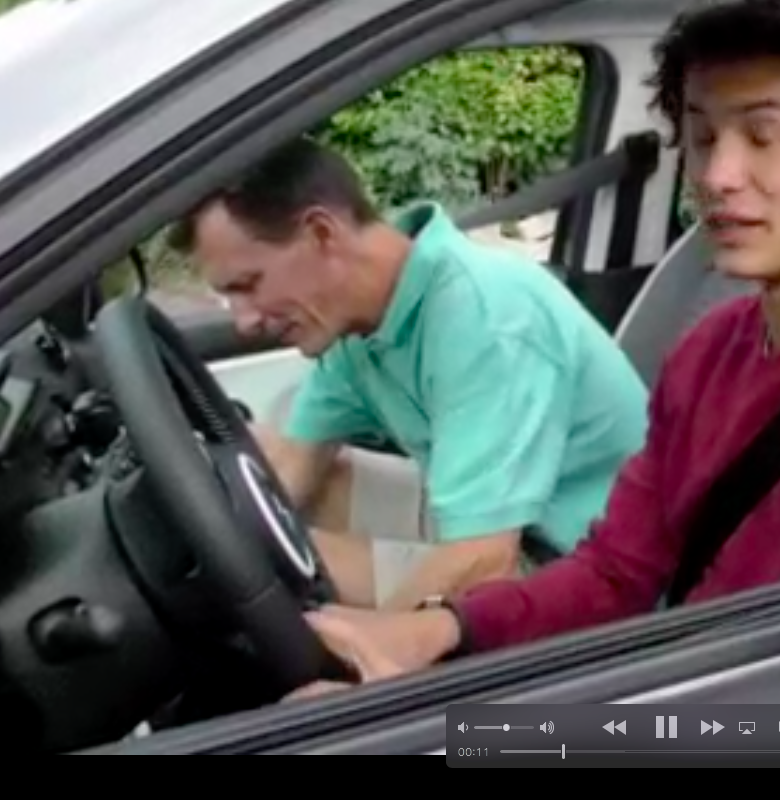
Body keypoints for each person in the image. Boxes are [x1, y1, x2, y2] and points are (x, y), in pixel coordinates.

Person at [291, 0, 780, 692]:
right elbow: (616, 573)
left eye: (762, 135)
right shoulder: (711, 350)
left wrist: (492, 737)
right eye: (702, 136)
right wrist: (439, 628)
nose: (717, 174)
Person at [170, 139, 650, 610]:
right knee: (272, 496)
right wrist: (210, 549)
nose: (244, 321)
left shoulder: (485, 321)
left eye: (248, 285)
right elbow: (296, 460)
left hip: (586, 570)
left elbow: (484, 562)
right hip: (505, 522)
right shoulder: (357, 319)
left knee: (284, 574)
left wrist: (370, 649)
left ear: (321, 233)